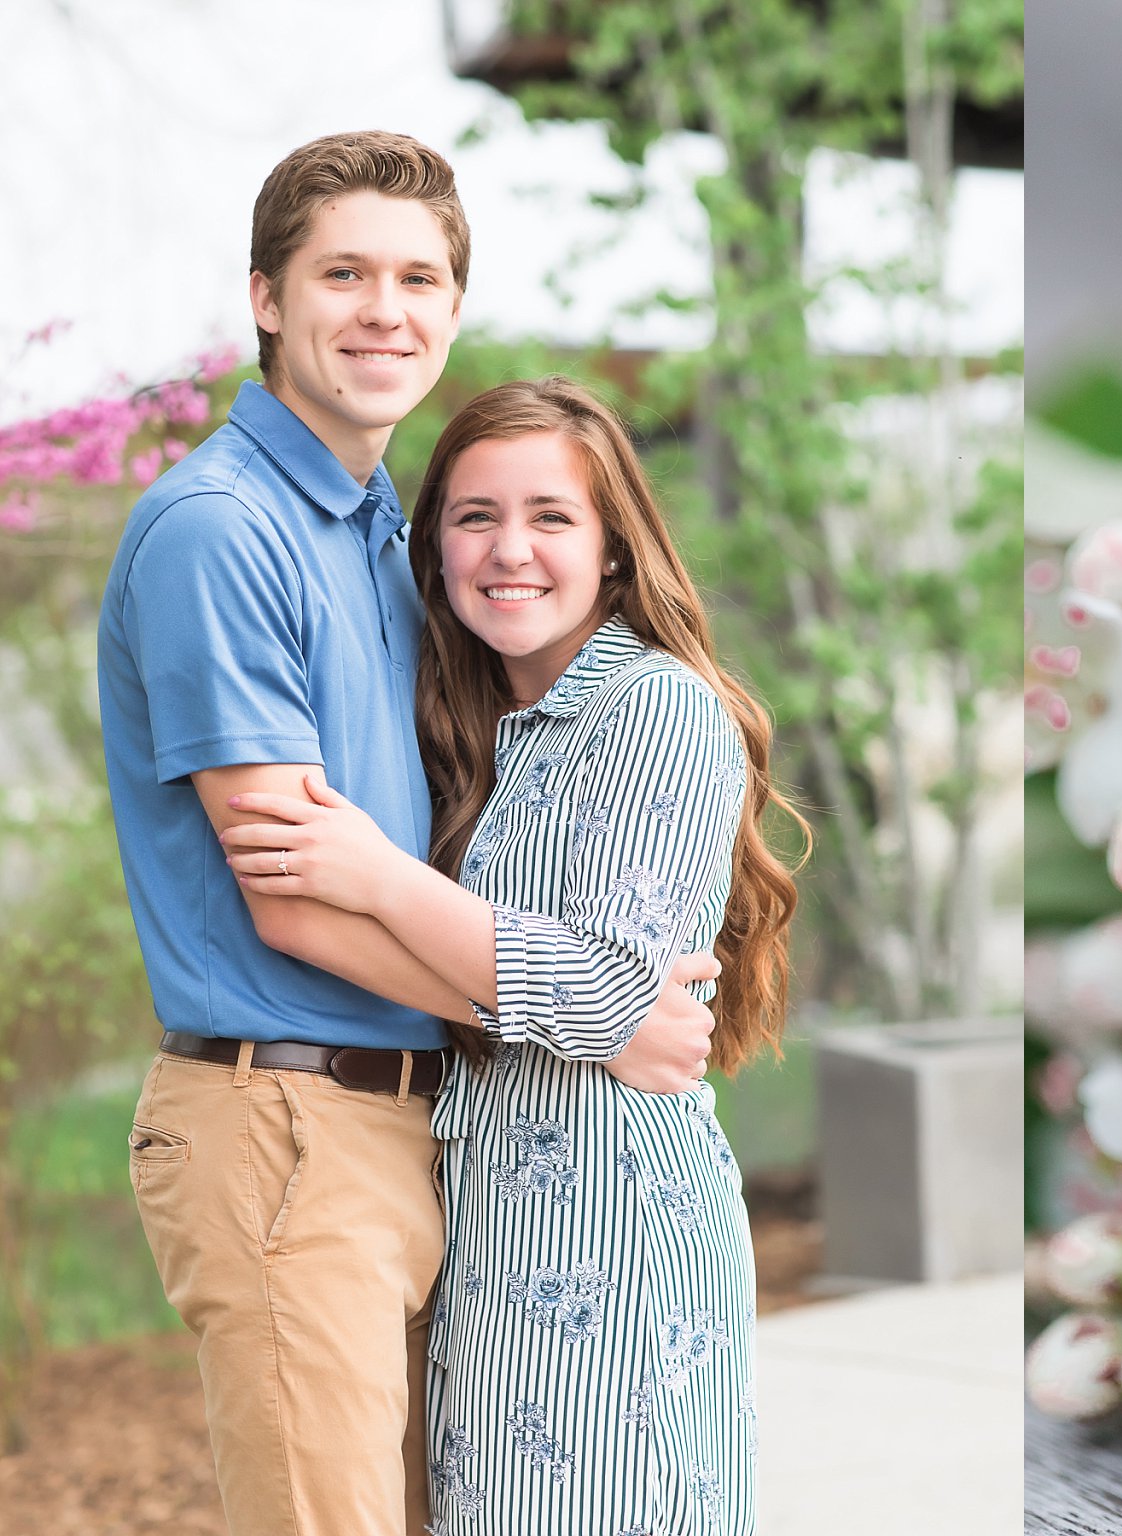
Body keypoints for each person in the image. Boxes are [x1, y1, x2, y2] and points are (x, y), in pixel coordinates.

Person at [98, 132, 719, 1536]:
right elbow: (297, 902)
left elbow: (384, 866)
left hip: (420, 1127)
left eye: (419, 278)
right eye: (345, 274)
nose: (386, 309)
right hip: (286, 1124)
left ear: (451, 310)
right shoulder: (222, 529)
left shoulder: (388, 534)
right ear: (265, 297)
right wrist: (591, 1017)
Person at [219, 376, 802, 1535]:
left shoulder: (657, 709)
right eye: (474, 517)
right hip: (489, 1235)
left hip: (616, 1238)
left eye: (550, 517)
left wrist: (381, 878)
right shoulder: (479, 733)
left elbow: (612, 986)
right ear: (432, 549)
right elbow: (588, 1001)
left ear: (614, 550)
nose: (509, 549)